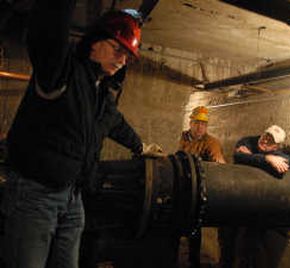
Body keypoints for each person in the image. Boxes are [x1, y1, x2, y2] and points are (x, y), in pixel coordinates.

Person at [1, 1, 143, 267]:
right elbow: (47, 29)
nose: (123, 60)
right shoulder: (61, 70)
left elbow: (115, 123)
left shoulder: (100, 91)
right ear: (95, 42)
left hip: (73, 196)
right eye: (117, 49)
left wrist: (141, 145)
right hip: (36, 194)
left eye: (127, 55)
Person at [220, 125, 290, 268]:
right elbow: (239, 156)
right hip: (233, 197)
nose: (265, 141)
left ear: (276, 146)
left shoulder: (282, 156)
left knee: (248, 247)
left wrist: (251, 158)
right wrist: (267, 159)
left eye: (270, 141)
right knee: (227, 239)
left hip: (254, 204)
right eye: (265, 136)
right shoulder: (248, 141)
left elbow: (282, 168)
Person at [178, 106, 226, 268]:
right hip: (178, 185)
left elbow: (218, 161)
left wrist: (219, 165)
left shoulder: (210, 142)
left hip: (195, 190)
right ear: (190, 122)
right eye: (197, 123)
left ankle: (194, 261)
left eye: (204, 124)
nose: (200, 127)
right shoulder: (180, 137)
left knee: (194, 226)